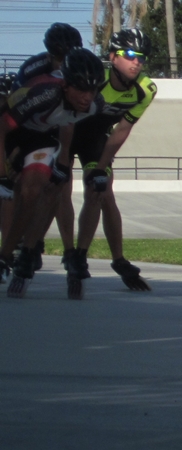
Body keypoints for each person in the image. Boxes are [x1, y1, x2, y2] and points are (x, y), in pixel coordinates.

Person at [60, 28, 161, 293]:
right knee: (60, 189)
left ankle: (88, 255)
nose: (136, 61)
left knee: (101, 191)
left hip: (96, 140)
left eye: (142, 57)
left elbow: (122, 130)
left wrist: (102, 166)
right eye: (130, 55)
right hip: (68, 133)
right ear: (113, 57)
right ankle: (68, 251)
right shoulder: (95, 78)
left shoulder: (145, 89)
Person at [0, 48, 105, 297]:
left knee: (35, 190)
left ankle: (20, 253)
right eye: (81, 89)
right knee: (13, 193)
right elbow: (2, 129)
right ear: (65, 84)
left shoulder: (94, 104)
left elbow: (68, 123)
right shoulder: (44, 93)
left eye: (92, 90)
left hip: (42, 137)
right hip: (12, 133)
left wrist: (63, 163)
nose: (87, 97)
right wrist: (3, 173)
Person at [15, 23, 84, 265]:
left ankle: (67, 250)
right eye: (59, 57)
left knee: (61, 188)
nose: (63, 63)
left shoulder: (80, 68)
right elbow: (17, 106)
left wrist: (65, 155)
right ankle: (21, 240)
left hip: (63, 125)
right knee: (25, 186)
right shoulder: (33, 69)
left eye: (68, 56)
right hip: (31, 125)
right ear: (49, 54)